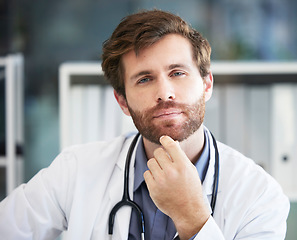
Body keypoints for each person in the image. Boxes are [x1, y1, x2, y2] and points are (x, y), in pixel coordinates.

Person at [0, 9, 290, 240]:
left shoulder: (259, 196)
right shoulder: (76, 171)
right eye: (145, 79)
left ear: (206, 84)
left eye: (177, 73)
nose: (164, 92)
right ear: (122, 101)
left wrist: (193, 219)